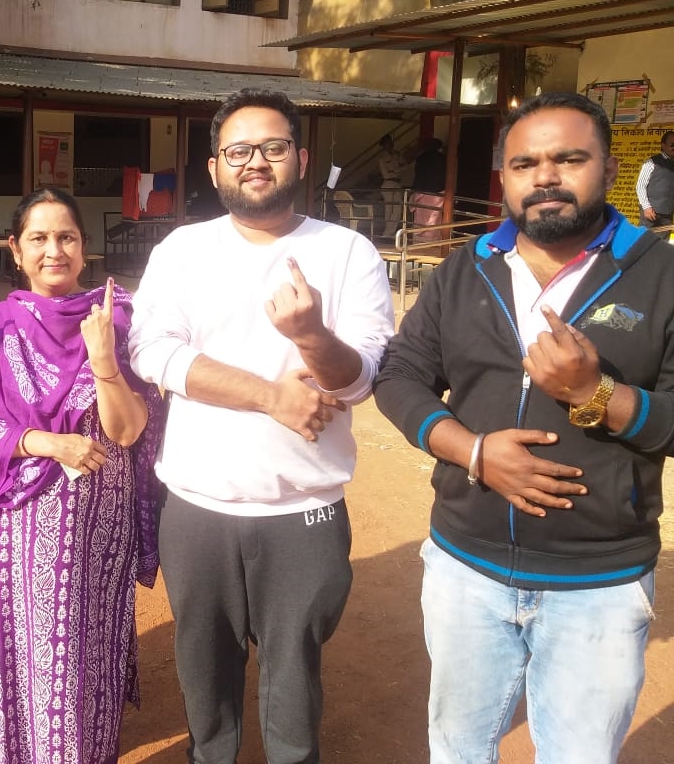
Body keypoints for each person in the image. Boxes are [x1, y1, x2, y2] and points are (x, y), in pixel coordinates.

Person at [374, 92, 674, 764]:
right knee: (457, 747)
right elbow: (398, 377)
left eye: (569, 158)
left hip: (597, 582)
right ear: (503, 178)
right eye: (524, 163)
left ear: (606, 165)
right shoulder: (464, 268)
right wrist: (475, 452)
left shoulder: (661, 274)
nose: (546, 176)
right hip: (464, 568)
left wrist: (594, 394)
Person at [129, 88, 395, 764]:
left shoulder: (347, 253)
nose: (255, 162)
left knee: (294, 683)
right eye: (238, 151)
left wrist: (311, 336)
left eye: (272, 148)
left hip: (303, 508)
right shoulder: (182, 251)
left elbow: (361, 377)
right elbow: (151, 351)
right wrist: (270, 397)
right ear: (215, 167)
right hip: (196, 509)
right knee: (205, 681)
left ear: (300, 158)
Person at [0, 187, 164, 764]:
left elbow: (130, 429)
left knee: (82, 656)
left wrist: (104, 362)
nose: (53, 250)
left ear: (84, 247)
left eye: (66, 237)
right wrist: (44, 442)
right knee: (21, 656)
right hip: (12, 533)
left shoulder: (115, 319)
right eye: (38, 238)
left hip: (96, 529)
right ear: (16, 250)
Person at [409, 138, 447, 244]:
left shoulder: (421, 158)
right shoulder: (443, 159)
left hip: (422, 190)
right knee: (434, 217)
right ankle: (432, 240)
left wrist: (414, 189)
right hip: (438, 191)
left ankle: (418, 240)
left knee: (420, 217)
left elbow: (418, 174)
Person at [633, 129, 674, 228]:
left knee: (662, 242)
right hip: (651, 213)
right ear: (663, 145)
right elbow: (640, 186)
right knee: (646, 241)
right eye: (672, 144)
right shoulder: (651, 163)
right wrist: (646, 207)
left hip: (667, 214)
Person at [377, 132, 408, 237]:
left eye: (391, 142)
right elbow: (386, 175)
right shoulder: (382, 158)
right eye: (388, 143)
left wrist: (395, 171)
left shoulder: (397, 154)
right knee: (388, 210)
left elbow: (405, 165)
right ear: (384, 144)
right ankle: (388, 233)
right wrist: (397, 170)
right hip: (388, 183)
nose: (390, 144)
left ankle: (388, 233)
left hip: (397, 183)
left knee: (397, 208)